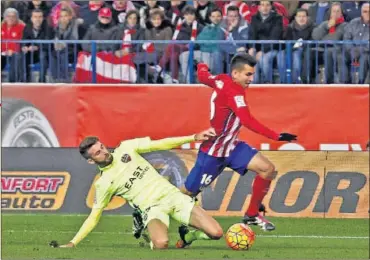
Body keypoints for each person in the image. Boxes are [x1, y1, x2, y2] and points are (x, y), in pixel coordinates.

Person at [51, 128, 223, 249]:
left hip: (173, 196)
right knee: (161, 244)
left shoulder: (126, 148)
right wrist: (73, 242)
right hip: (153, 208)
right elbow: (94, 216)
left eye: (102, 147)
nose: (104, 152)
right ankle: (142, 219)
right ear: (91, 161)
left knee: (216, 233)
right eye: (97, 153)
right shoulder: (103, 184)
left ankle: (189, 236)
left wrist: (193, 137)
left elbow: (161, 144)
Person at [182, 53, 297, 231]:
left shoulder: (221, 79)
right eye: (248, 75)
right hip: (213, 151)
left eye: (252, 74)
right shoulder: (235, 93)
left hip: (232, 147)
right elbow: (247, 120)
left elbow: (204, 76)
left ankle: (251, 214)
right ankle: (151, 208)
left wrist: (201, 65)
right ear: (235, 74)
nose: (251, 79)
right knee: (188, 193)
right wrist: (276, 136)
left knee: (267, 169)